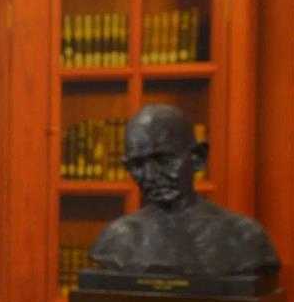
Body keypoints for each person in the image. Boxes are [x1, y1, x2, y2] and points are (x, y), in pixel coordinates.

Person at [89, 104, 280, 276]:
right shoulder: (117, 239)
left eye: (164, 160)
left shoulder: (244, 237)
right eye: (138, 164)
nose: (149, 175)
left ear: (198, 157)